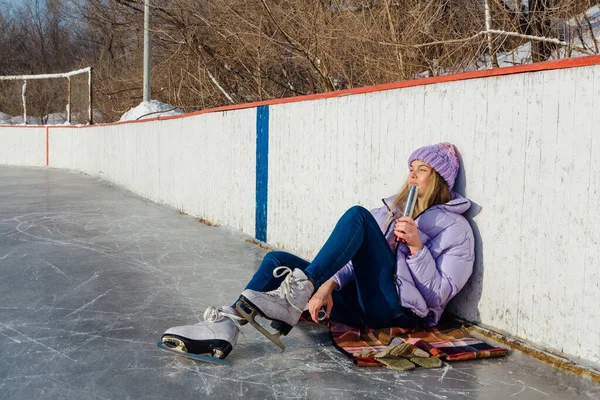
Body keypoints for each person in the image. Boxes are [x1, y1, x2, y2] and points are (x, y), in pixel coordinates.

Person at [161, 142, 475, 361]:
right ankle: (227, 326)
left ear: (438, 180)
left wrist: (418, 249)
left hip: (400, 312)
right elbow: (356, 263)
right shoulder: (390, 211)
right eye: (411, 168)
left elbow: (439, 297)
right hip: (363, 303)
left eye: (422, 170)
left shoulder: (455, 228)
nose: (412, 176)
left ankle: (296, 292)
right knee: (277, 261)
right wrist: (327, 285)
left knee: (357, 217)